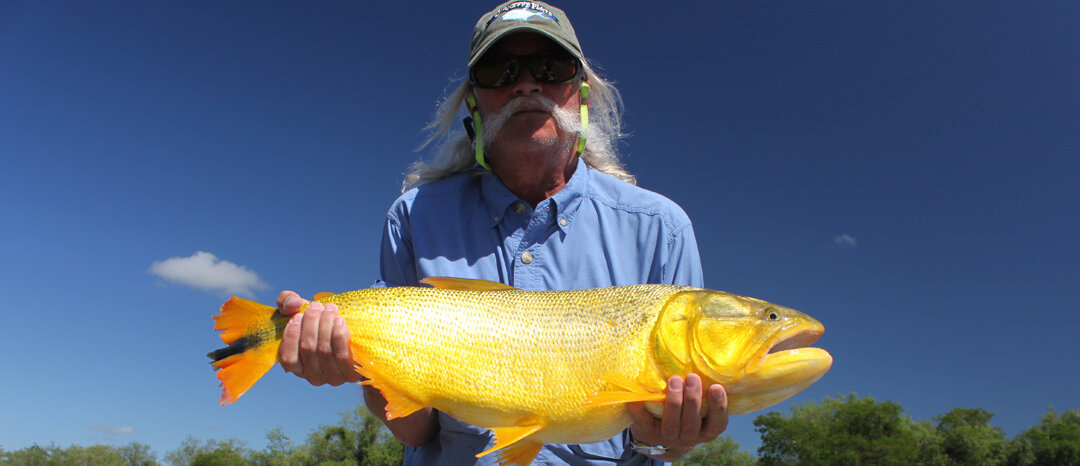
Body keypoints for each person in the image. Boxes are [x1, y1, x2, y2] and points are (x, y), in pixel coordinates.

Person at [274, 1, 728, 464]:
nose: (527, 84)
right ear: (473, 101)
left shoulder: (662, 229)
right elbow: (415, 430)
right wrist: (360, 371)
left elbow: (664, 447)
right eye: (500, 70)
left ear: (581, 93)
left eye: (551, 68)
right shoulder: (412, 216)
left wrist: (669, 437)